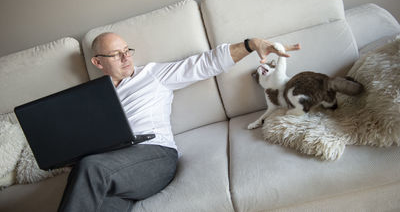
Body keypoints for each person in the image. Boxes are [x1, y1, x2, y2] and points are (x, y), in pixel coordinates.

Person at [58, 32, 300, 212]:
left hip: (155, 156)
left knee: (90, 167)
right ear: (98, 63)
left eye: (127, 50)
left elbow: (204, 64)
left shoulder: (152, 75)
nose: (125, 58)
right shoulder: (91, 97)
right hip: (116, 167)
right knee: (103, 204)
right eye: (115, 54)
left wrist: (251, 44)